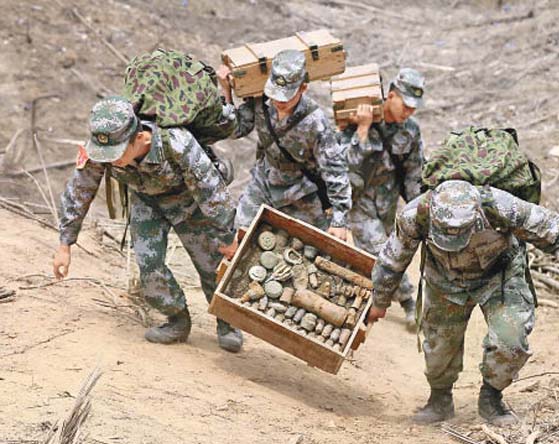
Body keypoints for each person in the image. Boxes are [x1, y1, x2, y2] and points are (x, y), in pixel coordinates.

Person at [368, 180, 559, 425]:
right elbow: (391, 261)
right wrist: (379, 301)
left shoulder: (503, 207)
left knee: (511, 339)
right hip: (445, 279)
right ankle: (439, 399)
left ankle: (491, 397)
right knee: (439, 346)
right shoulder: (414, 216)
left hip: (499, 274)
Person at [53, 96, 243, 352]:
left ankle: (228, 322)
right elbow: (80, 189)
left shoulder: (176, 143)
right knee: (148, 264)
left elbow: (211, 190)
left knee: (210, 264)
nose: (111, 160)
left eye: (117, 153)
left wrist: (228, 236)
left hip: (189, 203)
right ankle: (176, 318)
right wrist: (65, 242)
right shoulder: (101, 149)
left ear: (140, 138)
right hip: (146, 202)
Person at [217, 49, 351, 243]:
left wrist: (339, 220)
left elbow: (335, 170)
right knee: (238, 237)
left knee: (307, 250)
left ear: (303, 88)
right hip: (264, 182)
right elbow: (233, 130)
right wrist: (226, 92)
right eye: (275, 93)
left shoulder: (315, 121)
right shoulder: (261, 102)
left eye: (286, 96)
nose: (279, 101)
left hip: (301, 194)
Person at [339, 68, 426, 331]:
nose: (409, 112)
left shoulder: (410, 131)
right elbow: (345, 165)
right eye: (406, 105)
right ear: (390, 96)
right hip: (359, 202)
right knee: (381, 251)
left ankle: (398, 298)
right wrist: (362, 130)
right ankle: (408, 301)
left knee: (393, 249)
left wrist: (419, 209)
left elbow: (414, 172)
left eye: (414, 107)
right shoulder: (355, 119)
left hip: (387, 203)